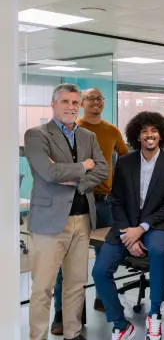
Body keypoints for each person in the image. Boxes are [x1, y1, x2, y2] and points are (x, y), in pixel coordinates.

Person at [24, 83, 108, 340]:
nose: (71, 107)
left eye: (75, 102)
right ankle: (38, 336)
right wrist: (84, 165)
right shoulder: (36, 135)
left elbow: (103, 170)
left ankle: (73, 332)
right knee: (43, 287)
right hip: (49, 222)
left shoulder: (88, 137)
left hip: (82, 220)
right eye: (65, 102)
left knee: (75, 283)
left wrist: (74, 179)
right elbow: (48, 173)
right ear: (53, 104)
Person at [92, 111, 164, 340]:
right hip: (125, 225)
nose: (149, 135)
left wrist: (141, 229)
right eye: (144, 131)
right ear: (137, 136)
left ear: (161, 135)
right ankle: (120, 323)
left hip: (157, 224)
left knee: (158, 250)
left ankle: (155, 315)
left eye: (154, 131)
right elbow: (117, 199)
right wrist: (127, 234)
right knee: (100, 271)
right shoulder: (125, 162)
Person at [51, 88, 129, 335]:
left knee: (107, 256)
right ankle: (64, 313)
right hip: (75, 201)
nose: (97, 103)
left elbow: (127, 161)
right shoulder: (71, 128)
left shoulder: (112, 130)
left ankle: (103, 298)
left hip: (104, 202)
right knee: (68, 261)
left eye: (101, 99)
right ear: (82, 103)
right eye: (92, 99)